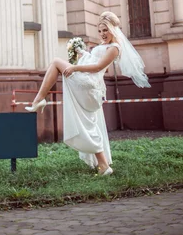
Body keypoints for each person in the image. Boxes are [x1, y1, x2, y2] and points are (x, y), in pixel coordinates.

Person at [25, 11, 150, 175]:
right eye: (100, 31)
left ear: (113, 29)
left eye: (105, 30)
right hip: (88, 84)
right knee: (90, 125)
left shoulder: (115, 48)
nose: (102, 34)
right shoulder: (104, 46)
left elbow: (98, 68)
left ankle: (39, 100)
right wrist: (81, 52)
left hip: (89, 85)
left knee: (56, 62)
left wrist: (75, 67)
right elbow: (93, 60)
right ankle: (103, 165)